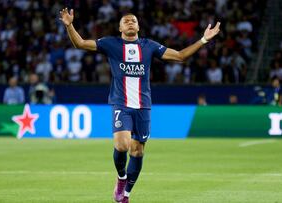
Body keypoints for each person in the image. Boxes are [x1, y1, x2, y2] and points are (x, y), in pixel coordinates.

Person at [59, 8, 220, 203]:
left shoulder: (149, 46)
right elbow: (80, 43)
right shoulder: (111, 44)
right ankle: (121, 178)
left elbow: (180, 56)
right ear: (119, 28)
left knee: (137, 151)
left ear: (138, 26)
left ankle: (125, 194)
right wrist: (69, 26)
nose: (129, 22)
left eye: (133, 20)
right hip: (121, 102)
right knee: (122, 144)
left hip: (143, 105)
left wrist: (203, 40)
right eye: (125, 21)